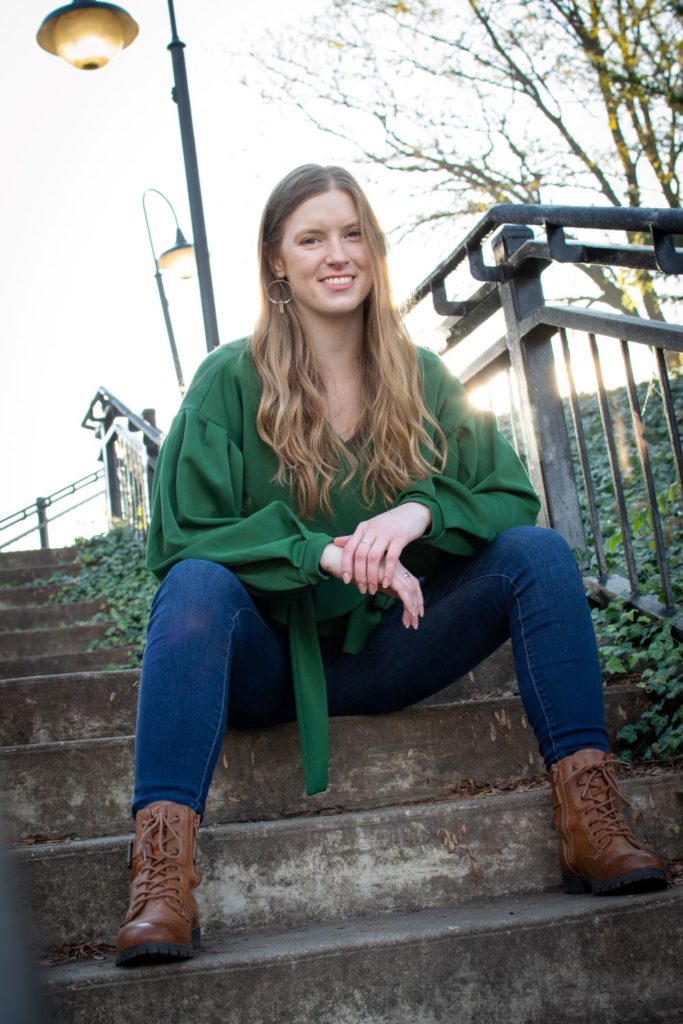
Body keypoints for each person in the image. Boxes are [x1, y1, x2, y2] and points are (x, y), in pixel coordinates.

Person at [115, 164, 667, 967]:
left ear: (372, 251)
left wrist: (421, 512)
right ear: (277, 260)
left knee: (537, 553)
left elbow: (508, 492)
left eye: (352, 235)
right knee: (195, 586)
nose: (335, 255)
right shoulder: (227, 381)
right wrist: (322, 553)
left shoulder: (421, 378)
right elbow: (184, 534)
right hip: (269, 664)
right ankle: (161, 878)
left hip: (394, 647)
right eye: (311, 238)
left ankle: (592, 823)